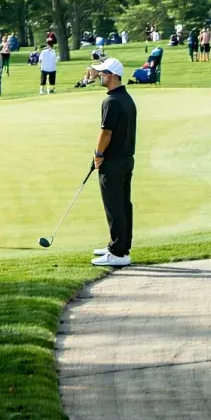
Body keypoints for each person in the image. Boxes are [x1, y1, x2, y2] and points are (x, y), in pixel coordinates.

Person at [90, 57, 136, 267]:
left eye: (104, 73)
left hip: (113, 161)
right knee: (123, 205)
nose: (100, 75)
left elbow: (106, 132)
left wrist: (98, 154)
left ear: (114, 76)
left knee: (114, 207)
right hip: (126, 159)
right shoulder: (126, 98)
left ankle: (118, 253)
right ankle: (120, 246)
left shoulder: (111, 101)